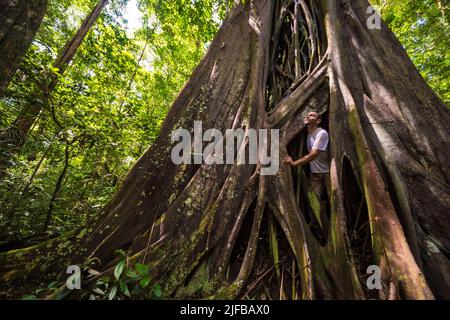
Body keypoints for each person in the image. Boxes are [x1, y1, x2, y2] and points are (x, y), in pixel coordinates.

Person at [283, 111, 330, 232]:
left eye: (311, 115)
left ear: (318, 120)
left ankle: (333, 231)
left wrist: (294, 163)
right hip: (315, 175)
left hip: (328, 173)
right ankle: (318, 226)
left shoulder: (322, 133)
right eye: (307, 115)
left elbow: (313, 154)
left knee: (333, 201)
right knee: (314, 202)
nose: (308, 116)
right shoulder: (309, 134)